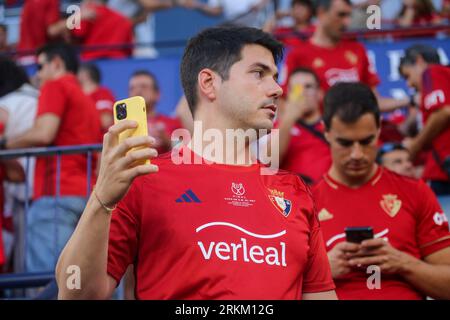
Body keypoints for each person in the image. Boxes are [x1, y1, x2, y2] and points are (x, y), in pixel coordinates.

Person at [56, 26, 337, 300]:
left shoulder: (295, 191)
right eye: (259, 73)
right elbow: (75, 294)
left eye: (275, 77)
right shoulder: (144, 180)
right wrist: (100, 201)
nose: (277, 88)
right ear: (208, 83)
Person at [312, 82, 450, 300]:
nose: (357, 154)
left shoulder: (414, 192)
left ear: (378, 131)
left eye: (366, 141)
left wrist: (402, 263)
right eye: (345, 143)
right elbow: (273, 290)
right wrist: (321, 270)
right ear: (326, 132)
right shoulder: (305, 202)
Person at [0, 43, 102, 272]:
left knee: (48, 280)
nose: (37, 74)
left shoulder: (55, 86)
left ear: (56, 63)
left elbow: (44, 133)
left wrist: (5, 144)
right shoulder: (87, 100)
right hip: (86, 196)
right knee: (80, 280)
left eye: (40, 66)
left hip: (56, 195)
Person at [281, 0, 409, 112]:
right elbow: (286, 102)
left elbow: (374, 101)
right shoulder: (298, 55)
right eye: (341, 15)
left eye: (349, 15)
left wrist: (410, 100)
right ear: (321, 13)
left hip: (357, 133)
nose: (347, 22)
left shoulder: (358, 50)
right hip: (320, 134)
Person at [399, 44, 450, 220]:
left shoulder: (432, 72)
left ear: (419, 61)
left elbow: (444, 112)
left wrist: (415, 145)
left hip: (443, 175)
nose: (409, 84)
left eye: (407, 75)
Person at [277, 67, 331, 184]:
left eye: (308, 86)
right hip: (291, 197)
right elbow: (269, 164)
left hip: (327, 197)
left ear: (320, 93)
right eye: (296, 88)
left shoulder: (333, 126)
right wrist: (288, 120)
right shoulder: (277, 126)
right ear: (288, 94)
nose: (302, 92)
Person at [128, 70, 182, 154]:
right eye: (132, 88)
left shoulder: (173, 123)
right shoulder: (122, 125)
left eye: (144, 86)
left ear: (157, 94)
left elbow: (184, 153)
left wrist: (166, 140)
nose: (138, 91)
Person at [78, 63, 115, 134]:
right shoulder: (78, 96)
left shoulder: (103, 93)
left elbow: (105, 121)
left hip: (100, 143)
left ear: (85, 75)